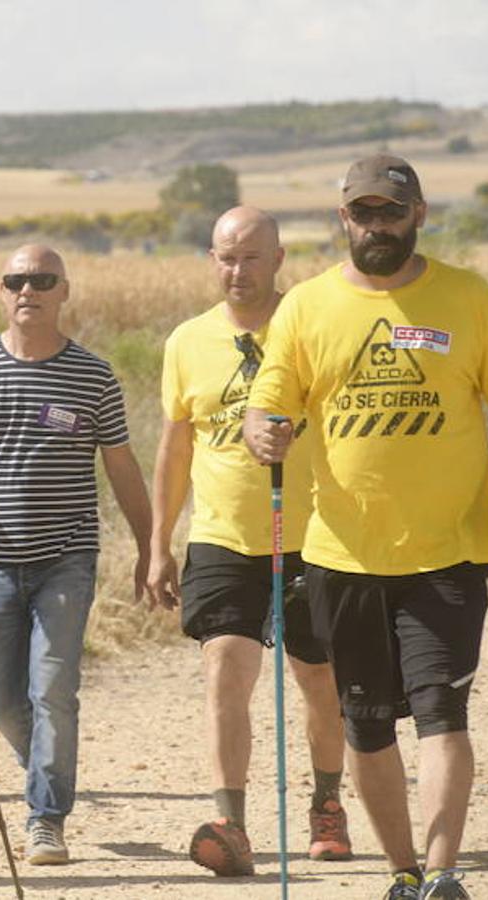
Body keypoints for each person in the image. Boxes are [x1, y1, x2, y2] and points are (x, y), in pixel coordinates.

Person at [245, 155, 488, 900]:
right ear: (343, 219)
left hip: (448, 549)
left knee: (441, 710)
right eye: (363, 213)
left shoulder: (465, 297)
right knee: (367, 724)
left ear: (419, 215)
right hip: (344, 553)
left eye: (390, 212)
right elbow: (268, 400)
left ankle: (441, 871)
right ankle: (401, 870)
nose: (377, 225)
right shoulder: (306, 307)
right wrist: (262, 431)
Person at [148, 207, 351, 877]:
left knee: (317, 679)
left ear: (278, 258)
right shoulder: (187, 341)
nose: (236, 271)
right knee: (224, 669)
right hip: (221, 536)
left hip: (314, 535)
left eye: (250, 258)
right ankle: (230, 823)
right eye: (224, 257)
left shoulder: (312, 327)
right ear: (211, 259)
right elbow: (175, 446)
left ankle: (326, 804)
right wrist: (158, 543)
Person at [0, 243, 151, 865]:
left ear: (64, 291)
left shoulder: (92, 375)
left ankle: (45, 817)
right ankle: (46, 776)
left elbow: (121, 467)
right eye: (15, 280)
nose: (27, 290)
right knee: (3, 700)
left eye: (42, 280)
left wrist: (149, 547)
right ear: (1, 292)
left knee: (53, 687)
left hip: (67, 556)